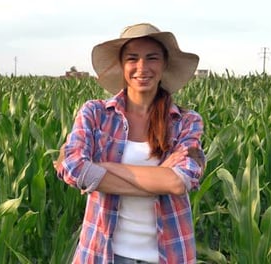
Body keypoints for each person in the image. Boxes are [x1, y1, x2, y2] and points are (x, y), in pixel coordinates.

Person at [54, 23, 205, 264]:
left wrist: (103, 167)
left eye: (152, 58)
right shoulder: (95, 114)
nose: (142, 67)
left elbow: (179, 182)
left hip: (169, 254)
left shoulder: (186, 122)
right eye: (132, 58)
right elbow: (73, 168)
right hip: (103, 253)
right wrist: (160, 178)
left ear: (164, 64)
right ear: (122, 65)